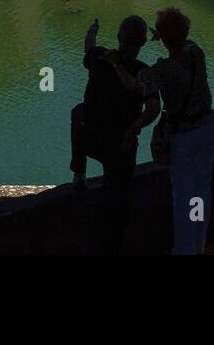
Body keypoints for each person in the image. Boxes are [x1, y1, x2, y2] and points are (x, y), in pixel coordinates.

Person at [110, 7, 214, 255]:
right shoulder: (195, 52)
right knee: (201, 192)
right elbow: (181, 40)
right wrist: (165, 33)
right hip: (207, 131)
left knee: (183, 198)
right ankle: (199, 246)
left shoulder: (160, 71)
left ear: (162, 37)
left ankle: (183, 250)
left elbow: (133, 86)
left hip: (184, 138)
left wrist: (117, 64)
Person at [71, 16, 149, 254]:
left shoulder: (100, 57)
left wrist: (92, 29)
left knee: (77, 112)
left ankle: (79, 173)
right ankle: (114, 242)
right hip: (120, 147)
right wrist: (133, 131)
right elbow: (153, 109)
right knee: (117, 200)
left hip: (91, 139)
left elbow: (89, 45)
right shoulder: (144, 72)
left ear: (118, 38)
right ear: (143, 42)